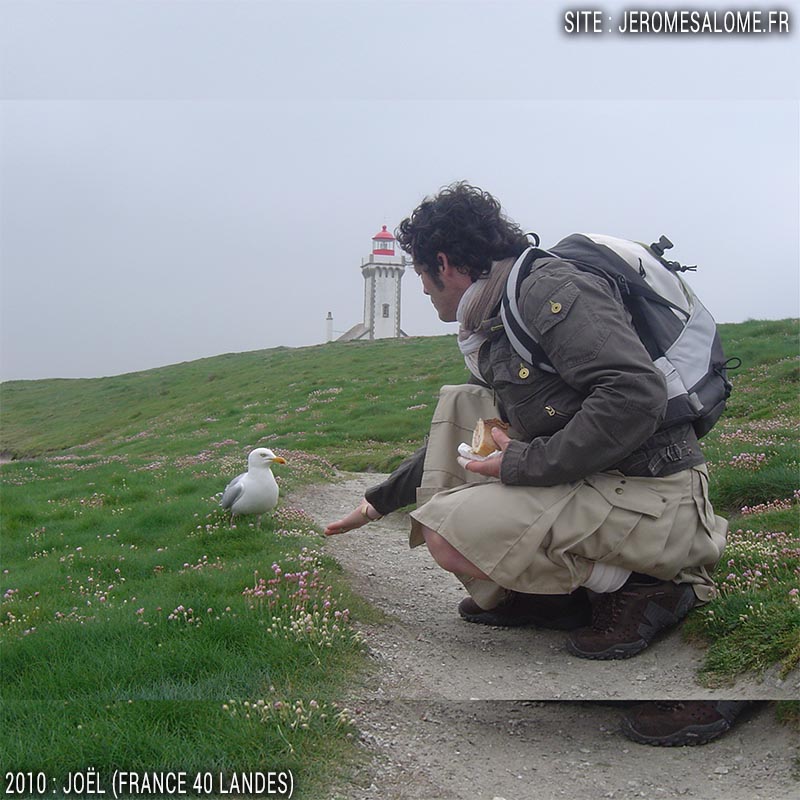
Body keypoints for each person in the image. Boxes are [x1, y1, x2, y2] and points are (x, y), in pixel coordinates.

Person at [325, 182, 728, 661]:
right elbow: (461, 435)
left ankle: (648, 586)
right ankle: (551, 599)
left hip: (655, 497)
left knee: (446, 533)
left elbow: (636, 394)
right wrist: (378, 502)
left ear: (445, 264)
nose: (423, 288)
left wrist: (524, 463)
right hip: (608, 484)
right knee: (465, 403)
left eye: (421, 274)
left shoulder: (548, 291)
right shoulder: (498, 314)